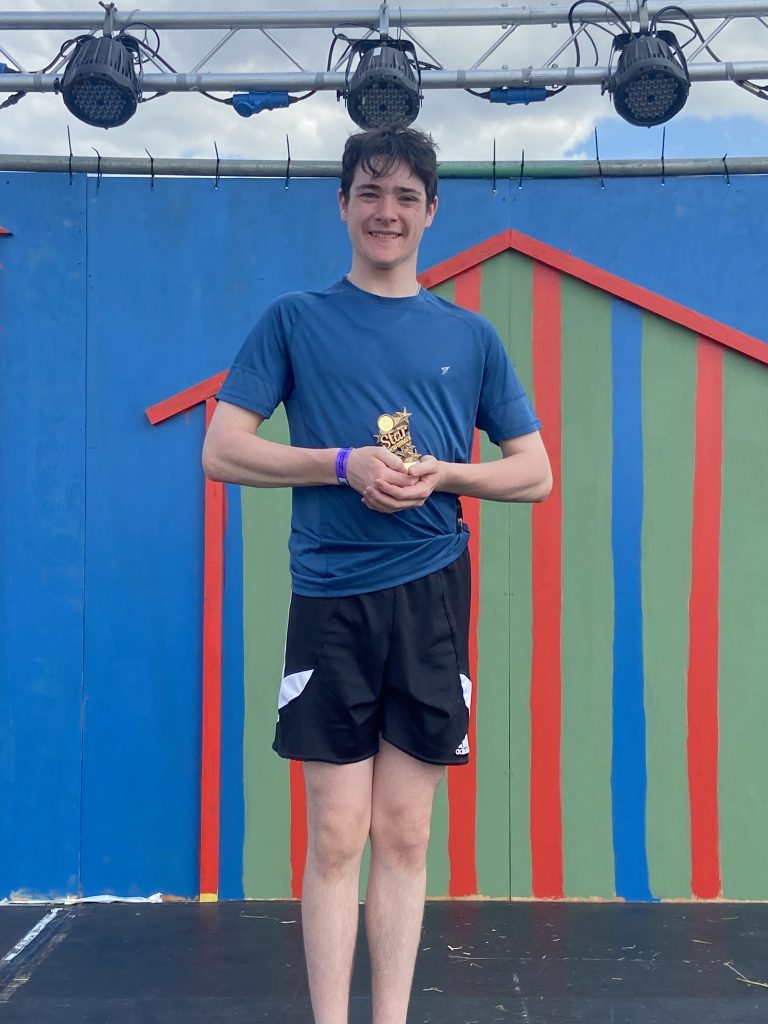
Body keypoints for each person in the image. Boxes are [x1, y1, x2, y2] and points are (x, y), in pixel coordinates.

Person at [202, 127, 552, 1024]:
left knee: (405, 830)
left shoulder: (469, 337)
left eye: (405, 197)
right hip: (331, 599)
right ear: (344, 204)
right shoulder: (293, 320)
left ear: (432, 211)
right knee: (335, 833)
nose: (386, 211)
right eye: (369, 192)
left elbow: (536, 473)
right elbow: (222, 449)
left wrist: (447, 473)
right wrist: (340, 463)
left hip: (432, 598)